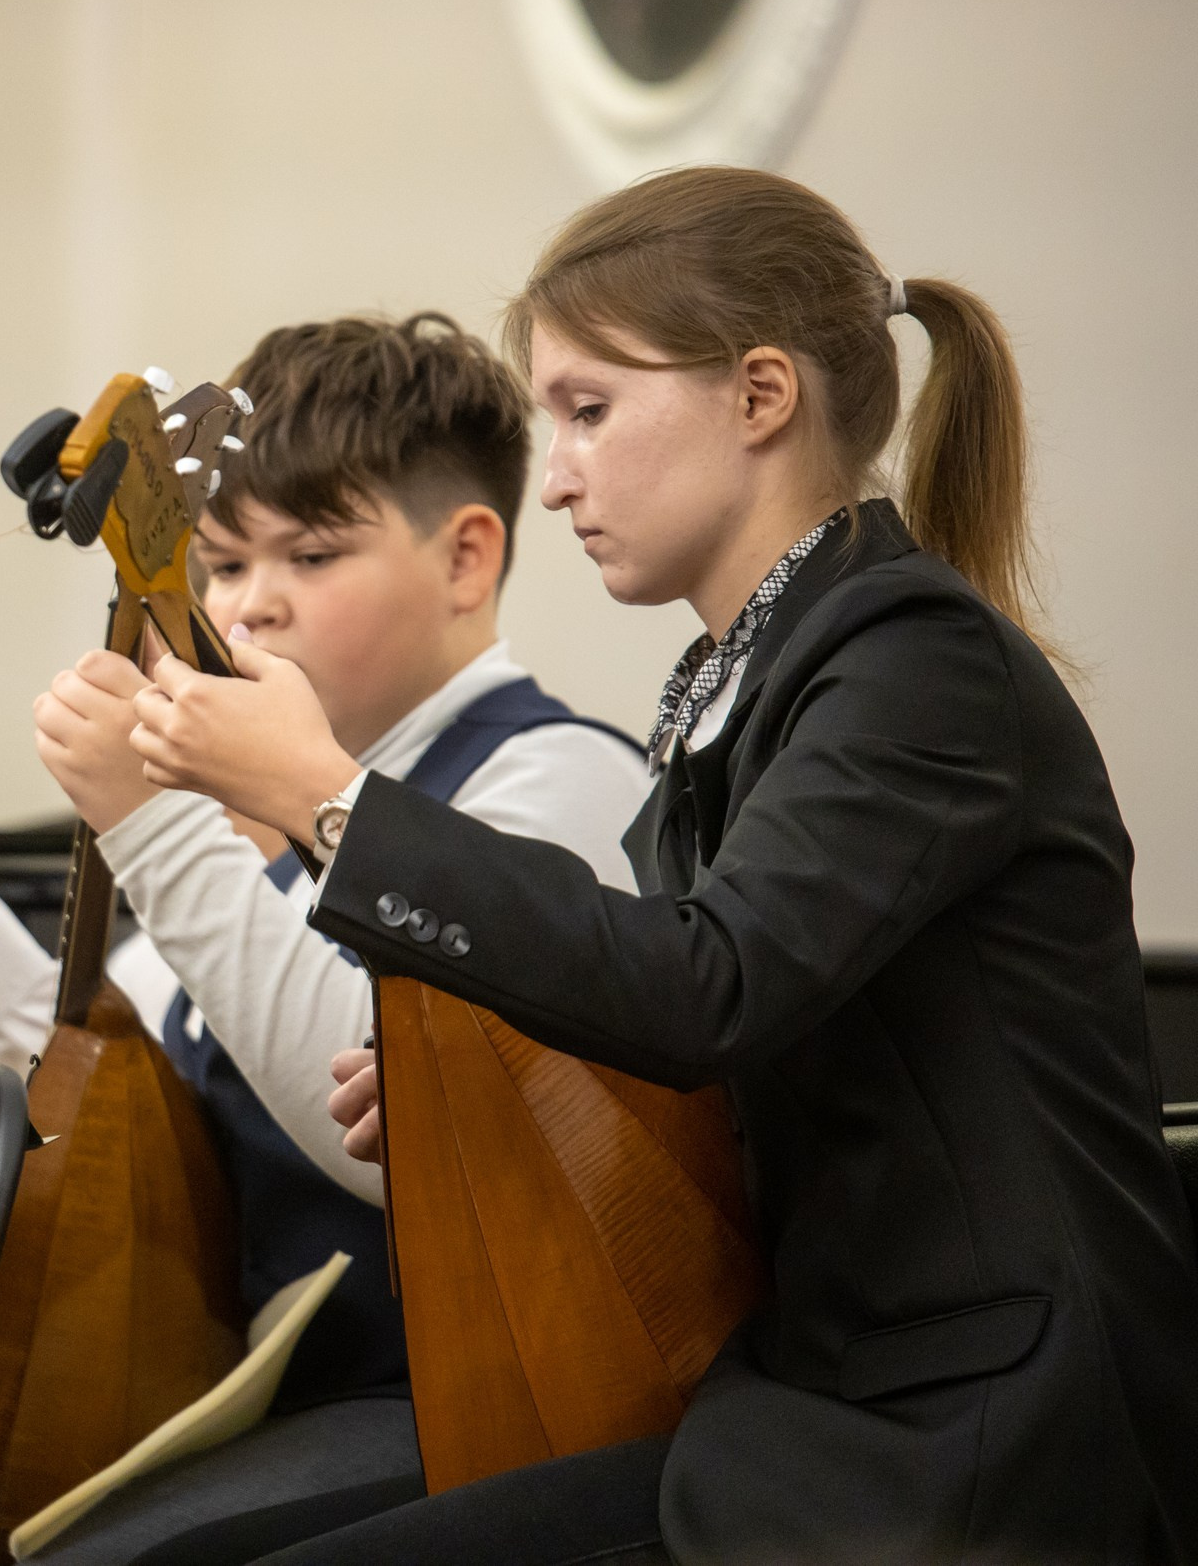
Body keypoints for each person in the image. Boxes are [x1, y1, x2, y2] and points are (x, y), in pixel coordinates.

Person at [120, 166, 1198, 1564]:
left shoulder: (915, 662)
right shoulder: (732, 684)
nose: (556, 471)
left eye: (588, 409)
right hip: (807, 1402)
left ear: (760, 397)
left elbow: (713, 981)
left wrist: (329, 798)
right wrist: (500, 1090)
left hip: (973, 1433)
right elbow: (723, 1039)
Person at [0, 315, 650, 1560]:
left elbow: (393, 1136)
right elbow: (122, 1087)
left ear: (465, 558)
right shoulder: (259, 822)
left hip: (472, 1404)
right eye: (221, 567)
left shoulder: (558, 783)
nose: (250, 607)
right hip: (258, 1387)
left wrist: (159, 834)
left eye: (313, 555)